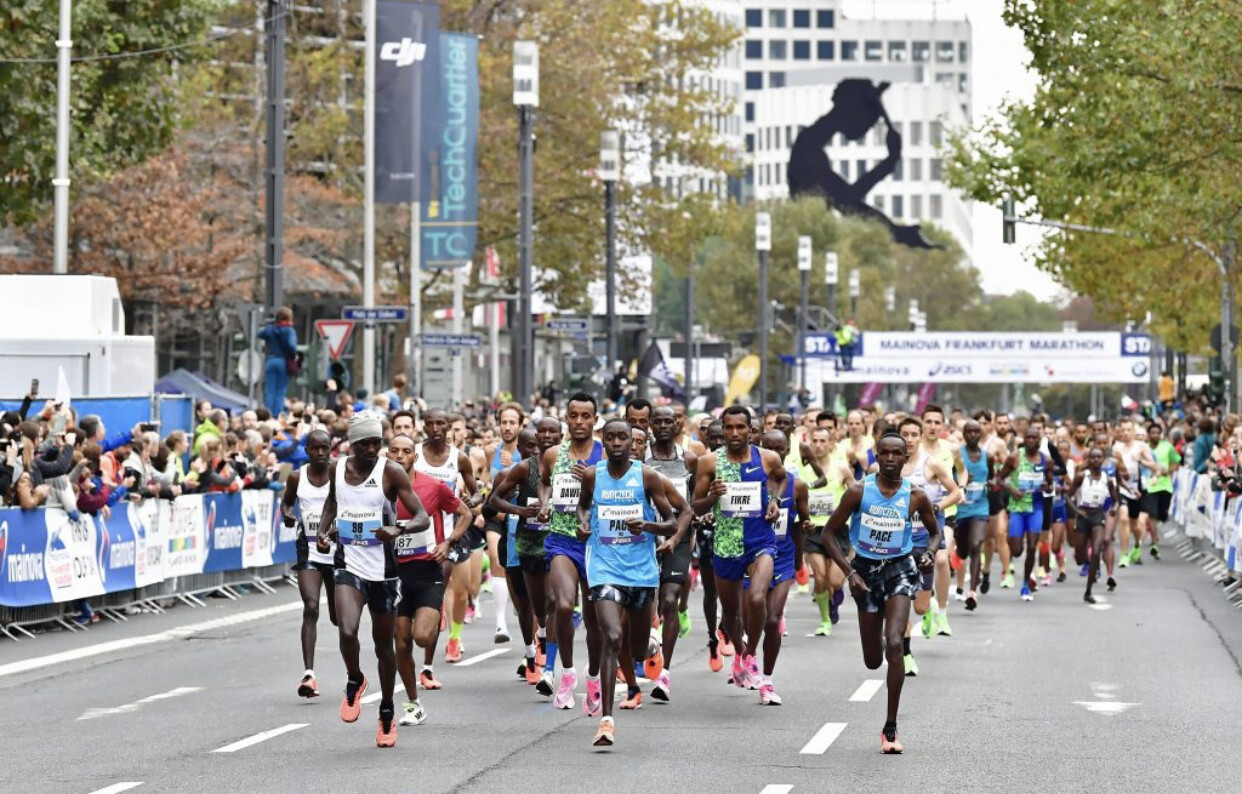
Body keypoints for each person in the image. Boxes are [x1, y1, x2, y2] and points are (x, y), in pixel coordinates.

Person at [819, 430, 941, 754]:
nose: (890, 459)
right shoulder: (858, 492)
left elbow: (935, 532)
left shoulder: (915, 496)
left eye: (896, 453)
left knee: (895, 642)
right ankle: (884, 649)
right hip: (865, 573)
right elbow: (829, 534)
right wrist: (849, 572)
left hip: (900, 569)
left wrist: (930, 553)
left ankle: (890, 726)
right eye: (884, 453)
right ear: (876, 455)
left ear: (905, 457)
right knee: (873, 660)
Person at [315, 413, 431, 748]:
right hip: (348, 563)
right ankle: (354, 679)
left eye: (376, 442)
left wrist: (398, 527)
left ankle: (387, 710)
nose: (371, 448)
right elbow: (332, 502)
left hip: (383, 571)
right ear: (352, 443)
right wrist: (322, 531)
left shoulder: (391, 472)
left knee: (383, 646)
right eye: (364, 443)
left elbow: (422, 517)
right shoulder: (338, 469)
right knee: (347, 629)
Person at [575, 419, 678, 746]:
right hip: (604, 567)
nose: (617, 443)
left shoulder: (646, 476)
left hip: (641, 572)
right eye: (611, 438)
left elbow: (672, 523)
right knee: (612, 636)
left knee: (636, 649)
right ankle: (606, 721)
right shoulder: (592, 476)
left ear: (634, 442)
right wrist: (583, 523)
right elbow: (583, 507)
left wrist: (647, 525)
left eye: (624, 438)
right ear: (603, 441)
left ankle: (651, 646)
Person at [692, 405, 786, 694]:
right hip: (726, 544)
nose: (734, 433)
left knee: (757, 598)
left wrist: (775, 501)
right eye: (729, 427)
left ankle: (750, 656)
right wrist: (712, 497)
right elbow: (695, 507)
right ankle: (740, 650)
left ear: (750, 429)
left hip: (761, 542)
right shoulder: (709, 462)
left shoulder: (767, 457)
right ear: (722, 430)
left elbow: (780, 478)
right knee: (731, 615)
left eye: (740, 427)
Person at [386, 433, 471, 724]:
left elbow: (465, 514)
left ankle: (433, 616)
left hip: (427, 570)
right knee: (401, 643)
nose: (400, 455)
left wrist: (448, 542)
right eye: (394, 450)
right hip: (394, 574)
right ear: (387, 454)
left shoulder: (433, 486)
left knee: (421, 637)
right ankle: (413, 703)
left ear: (415, 456)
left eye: (406, 451)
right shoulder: (380, 489)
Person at [537, 392, 605, 710]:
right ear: (566, 418)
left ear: (595, 420)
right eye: (574, 415)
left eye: (585, 416)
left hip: (596, 543)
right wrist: (544, 503)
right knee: (563, 606)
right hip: (561, 541)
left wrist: (592, 482)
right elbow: (544, 482)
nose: (579, 422)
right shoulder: (554, 454)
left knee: (594, 619)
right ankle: (566, 673)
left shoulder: (606, 454)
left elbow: (620, 493)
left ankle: (593, 676)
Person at [415, 409, 482, 663]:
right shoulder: (414, 454)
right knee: (437, 583)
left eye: (440, 424)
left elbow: (477, 494)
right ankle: (435, 609)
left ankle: (454, 637)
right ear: (424, 427)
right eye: (430, 424)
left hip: (453, 530)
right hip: (420, 533)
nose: (435, 428)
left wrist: (469, 502)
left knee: (463, 591)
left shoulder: (459, 458)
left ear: (448, 427)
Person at [897, 416, 961, 674]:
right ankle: (906, 655)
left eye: (914, 434)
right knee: (899, 600)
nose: (909, 439)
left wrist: (936, 507)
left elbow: (957, 492)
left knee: (920, 606)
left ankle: (932, 606)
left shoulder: (931, 464)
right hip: (897, 544)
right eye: (905, 434)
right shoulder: (888, 466)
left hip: (926, 542)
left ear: (921, 436)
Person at [644, 406, 697, 702]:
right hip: (646, 535)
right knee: (646, 602)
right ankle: (648, 648)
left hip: (678, 536)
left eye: (669, 421)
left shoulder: (688, 459)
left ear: (678, 425)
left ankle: (664, 672)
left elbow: (691, 503)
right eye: (658, 421)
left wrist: (680, 536)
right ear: (650, 424)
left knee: (669, 598)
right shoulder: (641, 458)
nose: (664, 426)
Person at [280, 429, 336, 699]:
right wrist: (288, 516)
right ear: (307, 451)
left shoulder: (340, 474)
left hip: (338, 551)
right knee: (311, 606)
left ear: (331, 448)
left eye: (324, 447)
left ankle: (353, 672)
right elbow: (286, 504)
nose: (320, 453)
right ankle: (309, 674)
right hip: (309, 550)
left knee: (338, 618)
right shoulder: (296, 477)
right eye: (315, 448)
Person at [757, 430, 810, 705]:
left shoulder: (797, 486)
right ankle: (744, 658)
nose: (775, 453)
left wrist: (799, 562)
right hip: (752, 556)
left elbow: (802, 525)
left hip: (782, 556)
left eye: (780, 448)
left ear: (788, 450)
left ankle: (766, 680)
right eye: (769, 448)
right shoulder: (749, 480)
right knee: (747, 620)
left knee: (773, 618)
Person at [801, 425, 853, 636]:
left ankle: (835, 596)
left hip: (837, 530)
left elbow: (857, 493)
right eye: (815, 441)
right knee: (821, 578)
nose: (819, 445)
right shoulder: (803, 470)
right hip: (813, 530)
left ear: (832, 444)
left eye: (823, 441)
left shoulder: (841, 469)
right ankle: (825, 621)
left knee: (835, 581)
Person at [996, 427, 1053, 602]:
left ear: (1039, 440)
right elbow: (999, 479)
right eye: (1028, 437)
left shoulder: (1046, 460)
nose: (1031, 440)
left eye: (1034, 438)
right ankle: (1015, 557)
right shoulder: (1015, 457)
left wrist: (1046, 487)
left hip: (1036, 508)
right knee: (1016, 550)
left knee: (1032, 546)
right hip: (1017, 508)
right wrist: (1012, 490)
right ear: (1024, 439)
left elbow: (1050, 485)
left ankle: (1026, 584)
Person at [1067, 446, 1118, 604]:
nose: (1096, 460)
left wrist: (1114, 509)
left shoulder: (1108, 480)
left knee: (1096, 551)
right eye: (1093, 457)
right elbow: (1068, 496)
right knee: (1080, 558)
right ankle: (1081, 556)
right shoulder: (1081, 477)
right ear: (1088, 460)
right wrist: (1077, 511)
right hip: (1083, 516)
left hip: (1098, 516)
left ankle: (1088, 591)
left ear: (1103, 460)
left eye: (1099, 457)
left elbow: (1116, 501)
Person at [954, 419, 992, 612]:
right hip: (960, 509)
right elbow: (946, 478)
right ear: (963, 434)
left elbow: (992, 477)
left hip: (980, 508)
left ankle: (972, 592)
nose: (972, 435)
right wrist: (961, 481)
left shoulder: (987, 456)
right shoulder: (957, 455)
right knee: (963, 551)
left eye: (976, 432)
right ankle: (958, 553)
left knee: (976, 545)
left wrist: (992, 484)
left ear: (981, 434)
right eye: (968, 432)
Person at [1141, 422, 1181, 560]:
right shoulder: (1144, 448)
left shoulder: (1167, 447)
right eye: (1153, 433)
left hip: (1165, 486)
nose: (1155, 435)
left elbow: (1177, 460)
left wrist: (1169, 471)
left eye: (1158, 433)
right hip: (1150, 486)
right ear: (1148, 434)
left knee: (1162, 515)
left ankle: (1156, 530)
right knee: (1152, 515)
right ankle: (1155, 542)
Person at [258, 306, 299, 418]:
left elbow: (259, 334)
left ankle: (268, 413)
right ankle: (276, 415)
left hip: (271, 360)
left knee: (269, 390)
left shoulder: (271, 329)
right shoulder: (290, 331)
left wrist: (271, 324)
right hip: (283, 362)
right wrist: (292, 355)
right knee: (280, 390)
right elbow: (292, 346)